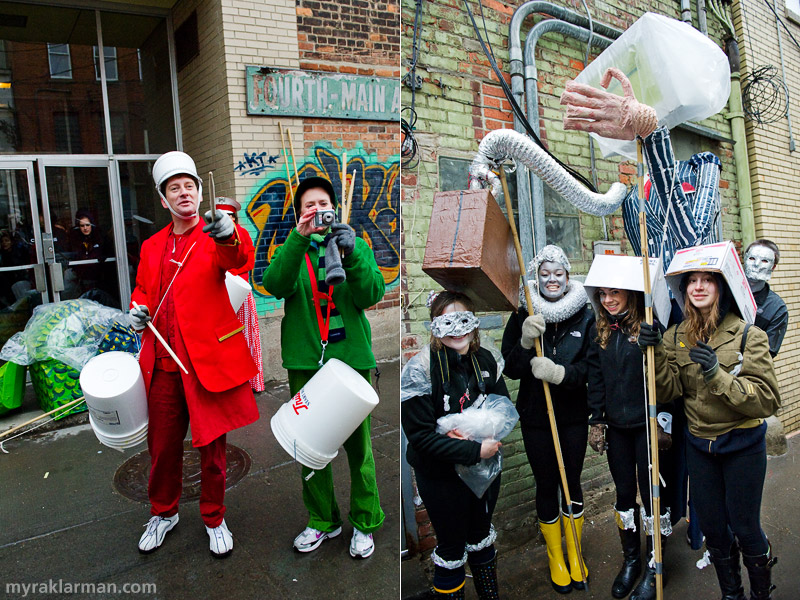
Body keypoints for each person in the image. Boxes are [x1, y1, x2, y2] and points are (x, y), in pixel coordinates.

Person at [128, 151, 259, 558]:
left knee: (213, 452)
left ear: (200, 194)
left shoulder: (216, 236)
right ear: (164, 200)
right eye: (174, 188)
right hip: (163, 367)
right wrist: (137, 309)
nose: (183, 193)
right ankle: (163, 513)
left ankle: (214, 516)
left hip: (205, 366)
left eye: (189, 186)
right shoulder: (151, 246)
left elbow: (239, 258)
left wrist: (227, 232)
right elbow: (143, 290)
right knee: (162, 449)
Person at [638, 268, 781, 600]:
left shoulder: (748, 334)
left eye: (707, 280)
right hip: (700, 446)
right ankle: (732, 594)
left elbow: (767, 399)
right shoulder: (677, 335)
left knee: (745, 529)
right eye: (691, 281)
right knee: (715, 530)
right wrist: (656, 352)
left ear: (722, 286)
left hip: (742, 445)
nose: (697, 286)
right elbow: (669, 389)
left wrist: (717, 374)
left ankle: (762, 594)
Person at [262, 175, 384, 559]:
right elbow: (274, 284)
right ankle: (322, 521)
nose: (316, 211)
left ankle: (365, 523)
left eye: (321, 205)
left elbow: (371, 294)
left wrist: (356, 255)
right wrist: (297, 240)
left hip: (349, 364)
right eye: (307, 207)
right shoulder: (291, 250)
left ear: (335, 209)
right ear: (300, 215)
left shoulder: (353, 246)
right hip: (307, 364)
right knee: (310, 448)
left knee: (358, 449)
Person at [561, 67, 723, 275]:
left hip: (698, 297)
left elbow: (693, 240)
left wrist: (652, 134)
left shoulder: (702, 166)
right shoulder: (630, 199)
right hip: (655, 305)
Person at [402, 291, 508, 599]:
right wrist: (472, 449)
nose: (458, 330)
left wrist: (478, 433)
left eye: (464, 320)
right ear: (434, 325)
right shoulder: (420, 370)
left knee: (481, 536)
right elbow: (421, 439)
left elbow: (502, 407)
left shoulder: (485, 358)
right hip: (442, 477)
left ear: (474, 323)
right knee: (450, 545)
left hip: (485, 470)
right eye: (448, 322)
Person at [501, 244, 594, 593]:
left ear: (568, 277)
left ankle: (575, 553)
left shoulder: (584, 314)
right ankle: (556, 558)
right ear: (536, 277)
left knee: (571, 482)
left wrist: (560, 374)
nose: (551, 279)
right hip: (537, 418)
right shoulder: (522, 311)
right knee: (546, 484)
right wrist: (525, 342)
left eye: (558, 273)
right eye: (544, 273)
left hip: (572, 416)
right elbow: (510, 367)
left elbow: (590, 367)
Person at [585, 280, 672, 600]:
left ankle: (654, 564)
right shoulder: (601, 331)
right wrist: (596, 420)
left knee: (651, 493)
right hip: (617, 427)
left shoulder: (650, 327)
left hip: (646, 426)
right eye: (602, 295)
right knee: (623, 494)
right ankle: (632, 560)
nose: (607, 300)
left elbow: (664, 380)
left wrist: (663, 421)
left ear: (630, 294)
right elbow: (595, 380)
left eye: (614, 293)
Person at [216, 196, 265, 392]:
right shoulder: (209, 236)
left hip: (240, 291)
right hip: (219, 293)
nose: (228, 220)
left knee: (247, 337)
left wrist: (232, 272)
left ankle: (252, 381)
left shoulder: (242, 233)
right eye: (223, 216)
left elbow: (250, 261)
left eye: (231, 216)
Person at [744, 239, 788, 358]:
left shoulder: (776, 308)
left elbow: (768, 352)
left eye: (764, 261)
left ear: (773, 266)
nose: (756, 264)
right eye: (752, 258)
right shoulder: (723, 292)